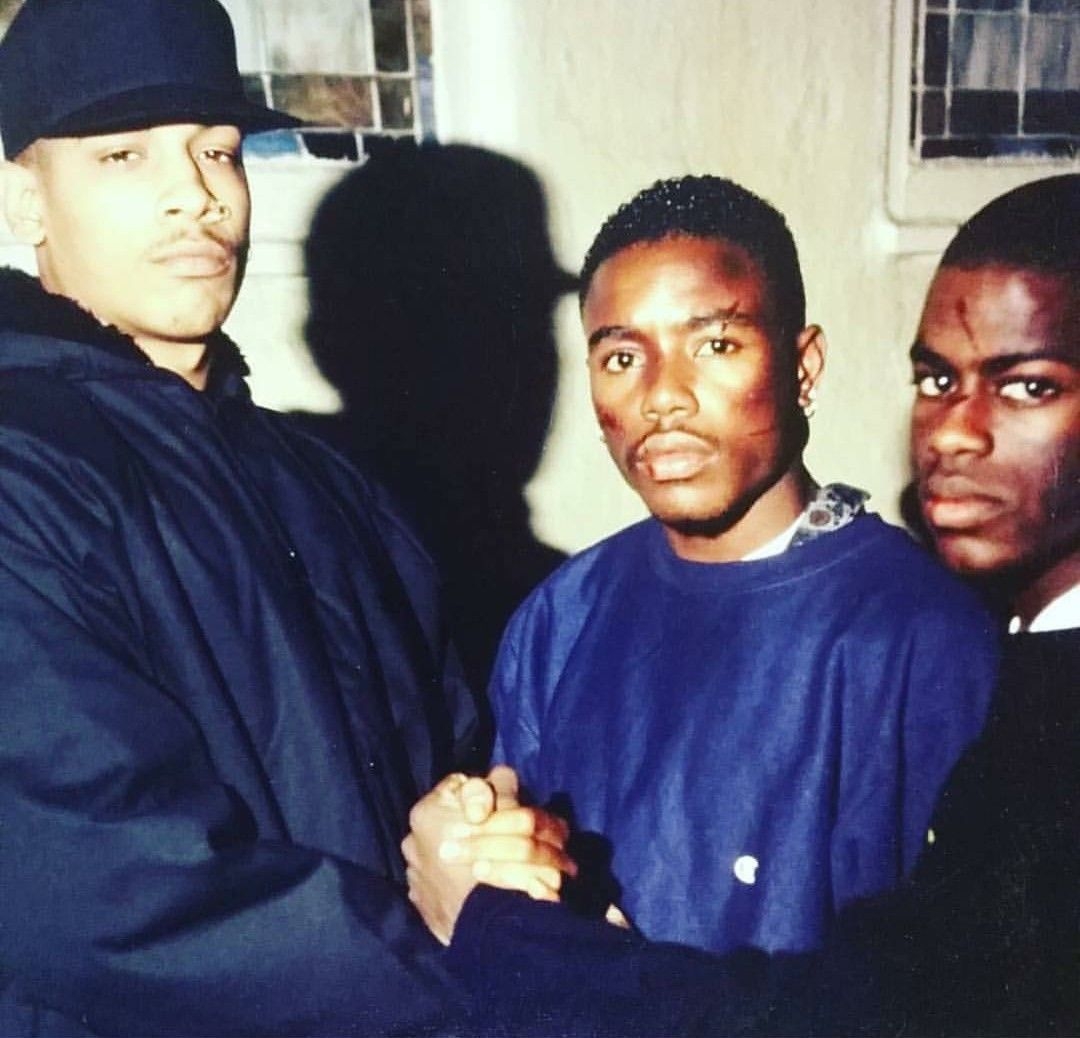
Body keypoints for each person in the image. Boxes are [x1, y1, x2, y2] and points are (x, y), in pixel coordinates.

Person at [0, 2, 569, 1035]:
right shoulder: (22, 471)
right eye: (125, 157)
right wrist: (481, 986)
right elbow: (112, 890)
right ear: (22, 202)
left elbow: (448, 751)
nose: (196, 196)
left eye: (217, 150)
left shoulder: (328, 482)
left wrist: (484, 841)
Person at [420, 173, 1080, 1037]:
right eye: (622, 356)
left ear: (802, 366)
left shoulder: (922, 637)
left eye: (716, 345)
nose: (663, 395)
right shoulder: (561, 615)